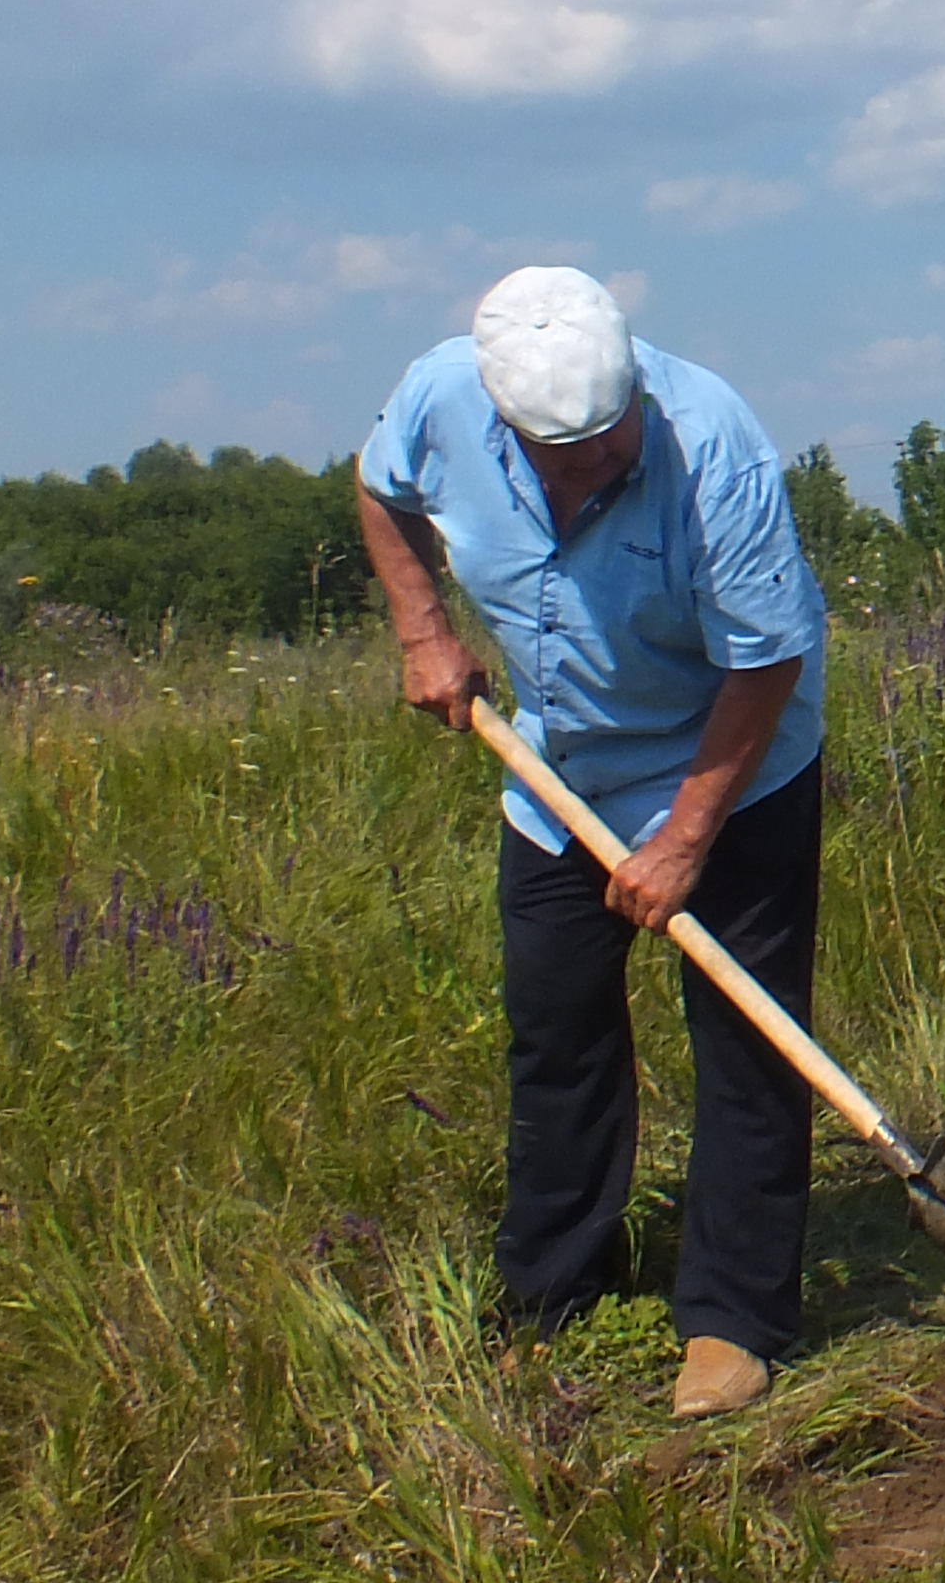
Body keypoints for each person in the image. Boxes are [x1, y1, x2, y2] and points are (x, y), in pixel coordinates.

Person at [354, 266, 829, 1421]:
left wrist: (684, 837)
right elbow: (378, 492)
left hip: (735, 768)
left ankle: (731, 1321)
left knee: (746, 1046)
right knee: (555, 1032)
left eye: (616, 436)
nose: (603, 463)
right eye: (572, 453)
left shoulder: (712, 445)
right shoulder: (437, 400)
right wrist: (425, 634)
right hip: (560, 773)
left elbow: (765, 660)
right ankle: (556, 1290)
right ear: (506, 427)